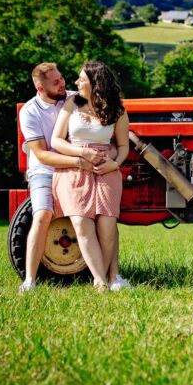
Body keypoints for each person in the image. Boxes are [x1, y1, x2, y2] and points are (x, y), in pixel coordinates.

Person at [18, 63, 108, 294]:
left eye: (62, 78)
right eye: (56, 82)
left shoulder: (74, 99)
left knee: (99, 213)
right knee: (42, 214)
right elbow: (41, 154)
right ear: (40, 87)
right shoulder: (30, 111)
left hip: (79, 168)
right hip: (46, 170)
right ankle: (30, 279)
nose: (63, 84)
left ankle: (108, 274)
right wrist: (79, 161)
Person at [51, 61, 130, 292]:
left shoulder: (117, 110)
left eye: (81, 80)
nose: (76, 83)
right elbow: (56, 141)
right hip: (75, 167)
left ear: (96, 83)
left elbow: (123, 146)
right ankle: (99, 281)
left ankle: (105, 277)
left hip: (105, 168)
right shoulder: (71, 104)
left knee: (107, 226)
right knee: (82, 224)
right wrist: (82, 152)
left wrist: (113, 164)